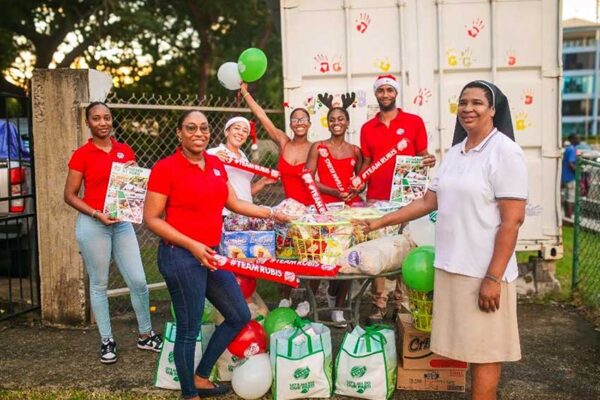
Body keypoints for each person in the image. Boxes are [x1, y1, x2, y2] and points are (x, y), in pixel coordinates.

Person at [355, 80, 527, 400]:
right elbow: (427, 203)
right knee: (465, 346)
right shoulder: (455, 153)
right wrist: (380, 221)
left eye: (477, 102)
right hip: (451, 267)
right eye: (463, 102)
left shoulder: (505, 152)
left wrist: (493, 277)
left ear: (493, 110)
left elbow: (512, 220)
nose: (468, 108)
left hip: (483, 271)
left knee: (485, 351)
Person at [143, 110, 290, 400]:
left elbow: (233, 202)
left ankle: (201, 376)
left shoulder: (215, 164)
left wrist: (272, 212)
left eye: (203, 128)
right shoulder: (166, 168)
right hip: (181, 256)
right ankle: (189, 394)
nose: (198, 133)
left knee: (237, 314)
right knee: (189, 327)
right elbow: (152, 219)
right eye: (191, 128)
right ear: (179, 133)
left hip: (210, 254)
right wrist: (192, 245)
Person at [63, 101, 162, 364]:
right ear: (88, 123)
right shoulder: (82, 155)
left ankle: (145, 335)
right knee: (99, 284)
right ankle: (107, 340)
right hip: (93, 223)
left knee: (139, 281)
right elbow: (69, 196)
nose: (103, 122)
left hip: (122, 223)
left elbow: (131, 191)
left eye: (107, 117)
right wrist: (96, 213)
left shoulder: (124, 150)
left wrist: (133, 176)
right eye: (96, 118)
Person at [358, 74, 436, 323]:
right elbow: (368, 162)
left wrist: (429, 158)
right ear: (376, 94)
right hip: (377, 198)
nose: (385, 95)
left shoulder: (413, 122)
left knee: (406, 248)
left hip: (408, 199)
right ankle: (379, 302)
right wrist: (357, 180)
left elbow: (422, 154)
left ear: (396, 93)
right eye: (381, 91)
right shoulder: (367, 128)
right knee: (377, 252)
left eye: (389, 90)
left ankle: (401, 301)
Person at [240, 82, 315, 308]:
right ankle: (286, 296)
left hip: (308, 212)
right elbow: (262, 117)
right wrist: (245, 93)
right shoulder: (283, 141)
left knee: (309, 257)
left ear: (309, 124)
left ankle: (307, 299)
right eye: (295, 119)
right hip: (286, 210)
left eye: (303, 119)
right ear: (290, 124)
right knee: (284, 255)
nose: (299, 123)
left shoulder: (315, 148)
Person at [305, 106, 363, 325]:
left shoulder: (356, 150)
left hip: (347, 212)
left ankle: (338, 305)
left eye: (341, 119)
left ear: (347, 123)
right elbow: (308, 178)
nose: (336, 122)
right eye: (332, 119)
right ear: (327, 123)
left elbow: (360, 180)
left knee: (347, 259)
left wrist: (356, 188)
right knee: (320, 256)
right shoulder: (318, 147)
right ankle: (310, 302)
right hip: (324, 209)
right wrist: (332, 191)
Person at [207, 116, 276, 215]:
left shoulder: (244, 158)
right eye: (236, 128)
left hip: (246, 213)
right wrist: (211, 161)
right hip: (224, 214)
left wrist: (262, 182)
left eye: (245, 131)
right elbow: (199, 178)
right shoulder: (213, 153)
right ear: (227, 132)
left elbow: (244, 192)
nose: (240, 133)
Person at [561, 133, 580, 220]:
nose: (579, 140)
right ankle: (569, 217)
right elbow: (571, 163)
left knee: (566, 197)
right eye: (577, 138)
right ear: (572, 140)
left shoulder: (568, 149)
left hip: (565, 176)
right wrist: (578, 171)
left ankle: (566, 216)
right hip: (571, 177)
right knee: (571, 198)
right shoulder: (573, 149)